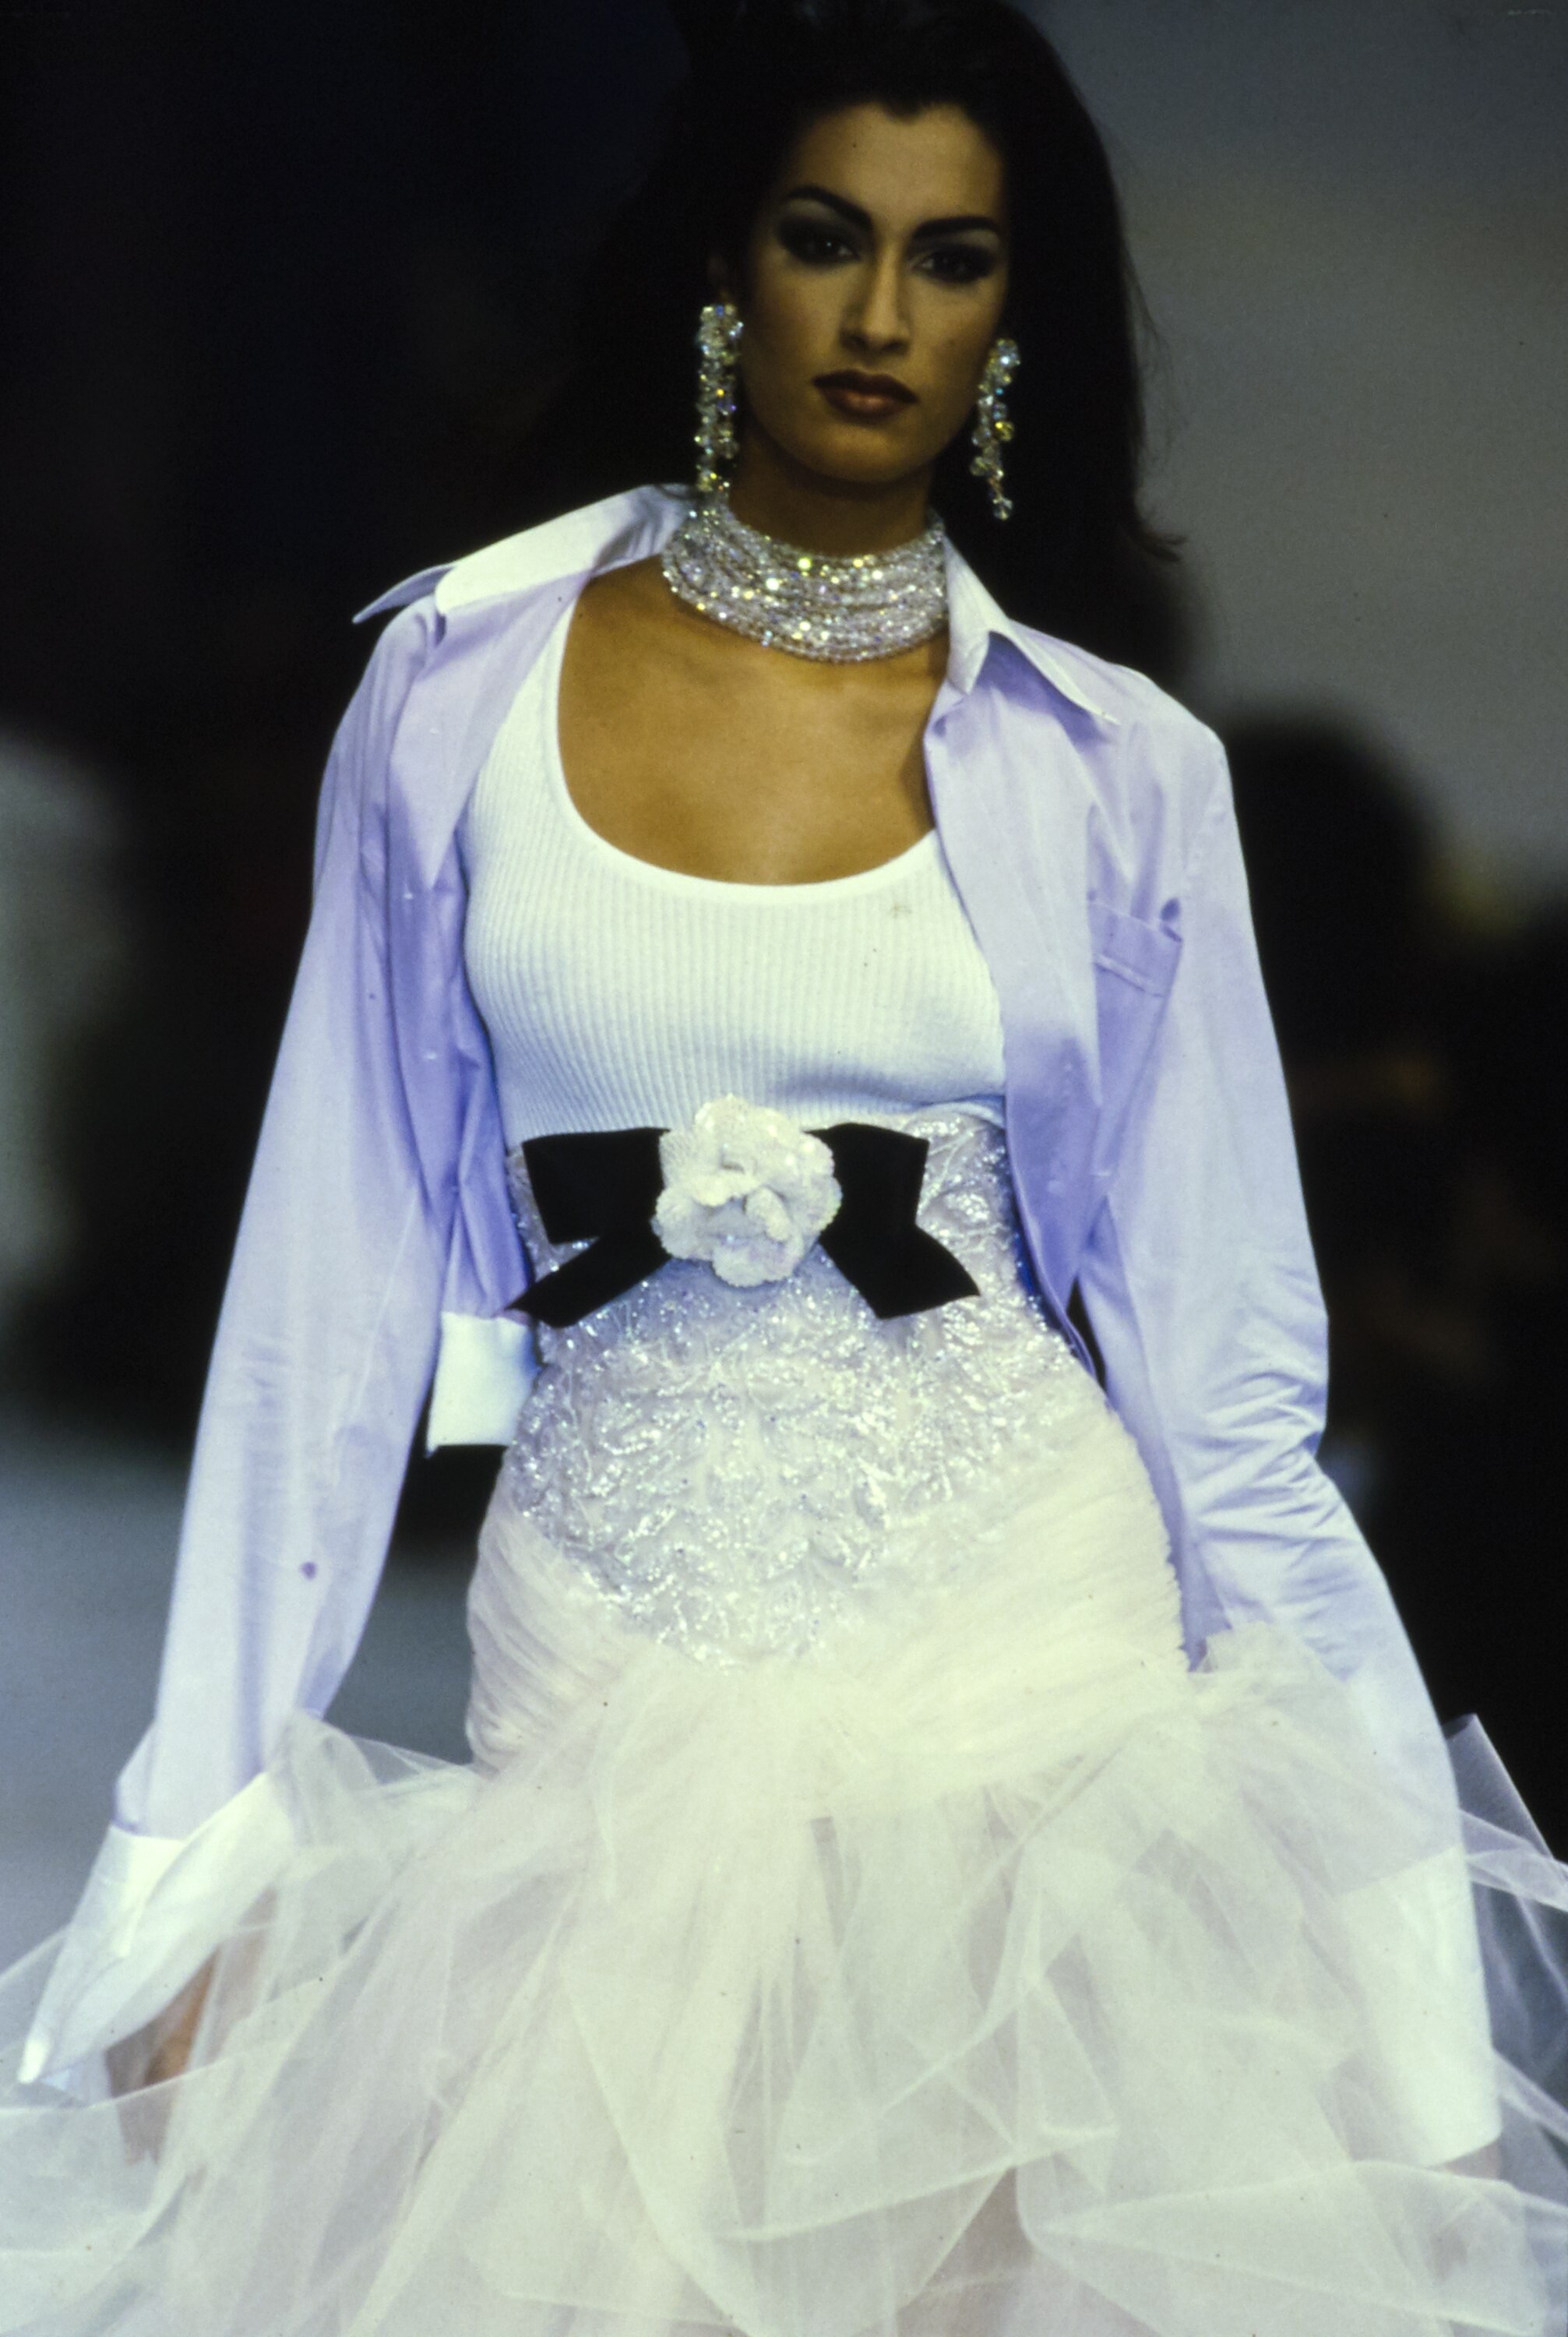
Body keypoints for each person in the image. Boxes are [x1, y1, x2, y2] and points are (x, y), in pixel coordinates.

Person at [3, 3, 1567, 2331]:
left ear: (1014, 319)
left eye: (955, 258)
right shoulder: (455, 690)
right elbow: (322, 1312)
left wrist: (1400, 1998)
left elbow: (1230, 1400)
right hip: (604, 1671)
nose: (882, 312)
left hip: (1030, 1682)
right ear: (727, 265)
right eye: (830, 236)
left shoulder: (1116, 769)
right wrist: (184, 1851)